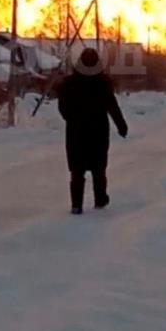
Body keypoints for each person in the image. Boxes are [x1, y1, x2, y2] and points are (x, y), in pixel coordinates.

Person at [58, 47, 128, 214]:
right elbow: (112, 105)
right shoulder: (103, 82)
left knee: (77, 170)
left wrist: (72, 118)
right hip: (98, 131)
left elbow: (62, 106)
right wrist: (121, 125)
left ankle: (76, 205)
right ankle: (100, 199)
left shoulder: (69, 82)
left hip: (76, 132)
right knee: (98, 168)